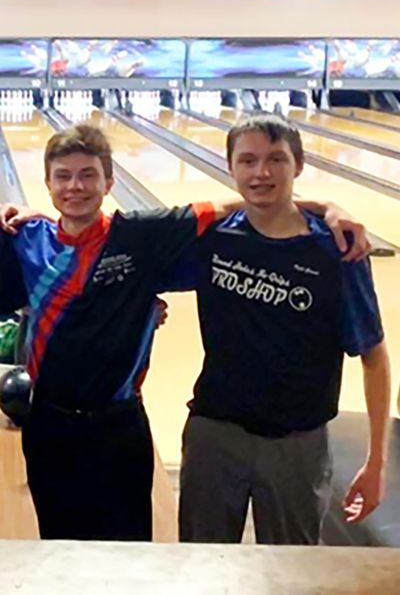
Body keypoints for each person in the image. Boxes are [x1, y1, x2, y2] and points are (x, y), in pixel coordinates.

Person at [0, 123, 369, 542]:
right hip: (49, 423)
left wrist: (323, 205)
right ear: (46, 184)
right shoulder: (26, 239)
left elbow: (242, 203)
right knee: (58, 546)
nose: (75, 186)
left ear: (109, 183)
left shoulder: (143, 235)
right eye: (63, 177)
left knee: (130, 553)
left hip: (119, 427)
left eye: (88, 175)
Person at [173, 114, 390, 545]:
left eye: (276, 159)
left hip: (298, 444)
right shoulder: (212, 237)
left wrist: (377, 463)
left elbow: (374, 357)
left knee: (292, 575)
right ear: (230, 167)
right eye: (248, 161)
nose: (262, 172)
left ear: (300, 164)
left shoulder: (338, 251)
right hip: (214, 434)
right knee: (201, 569)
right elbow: (116, 247)